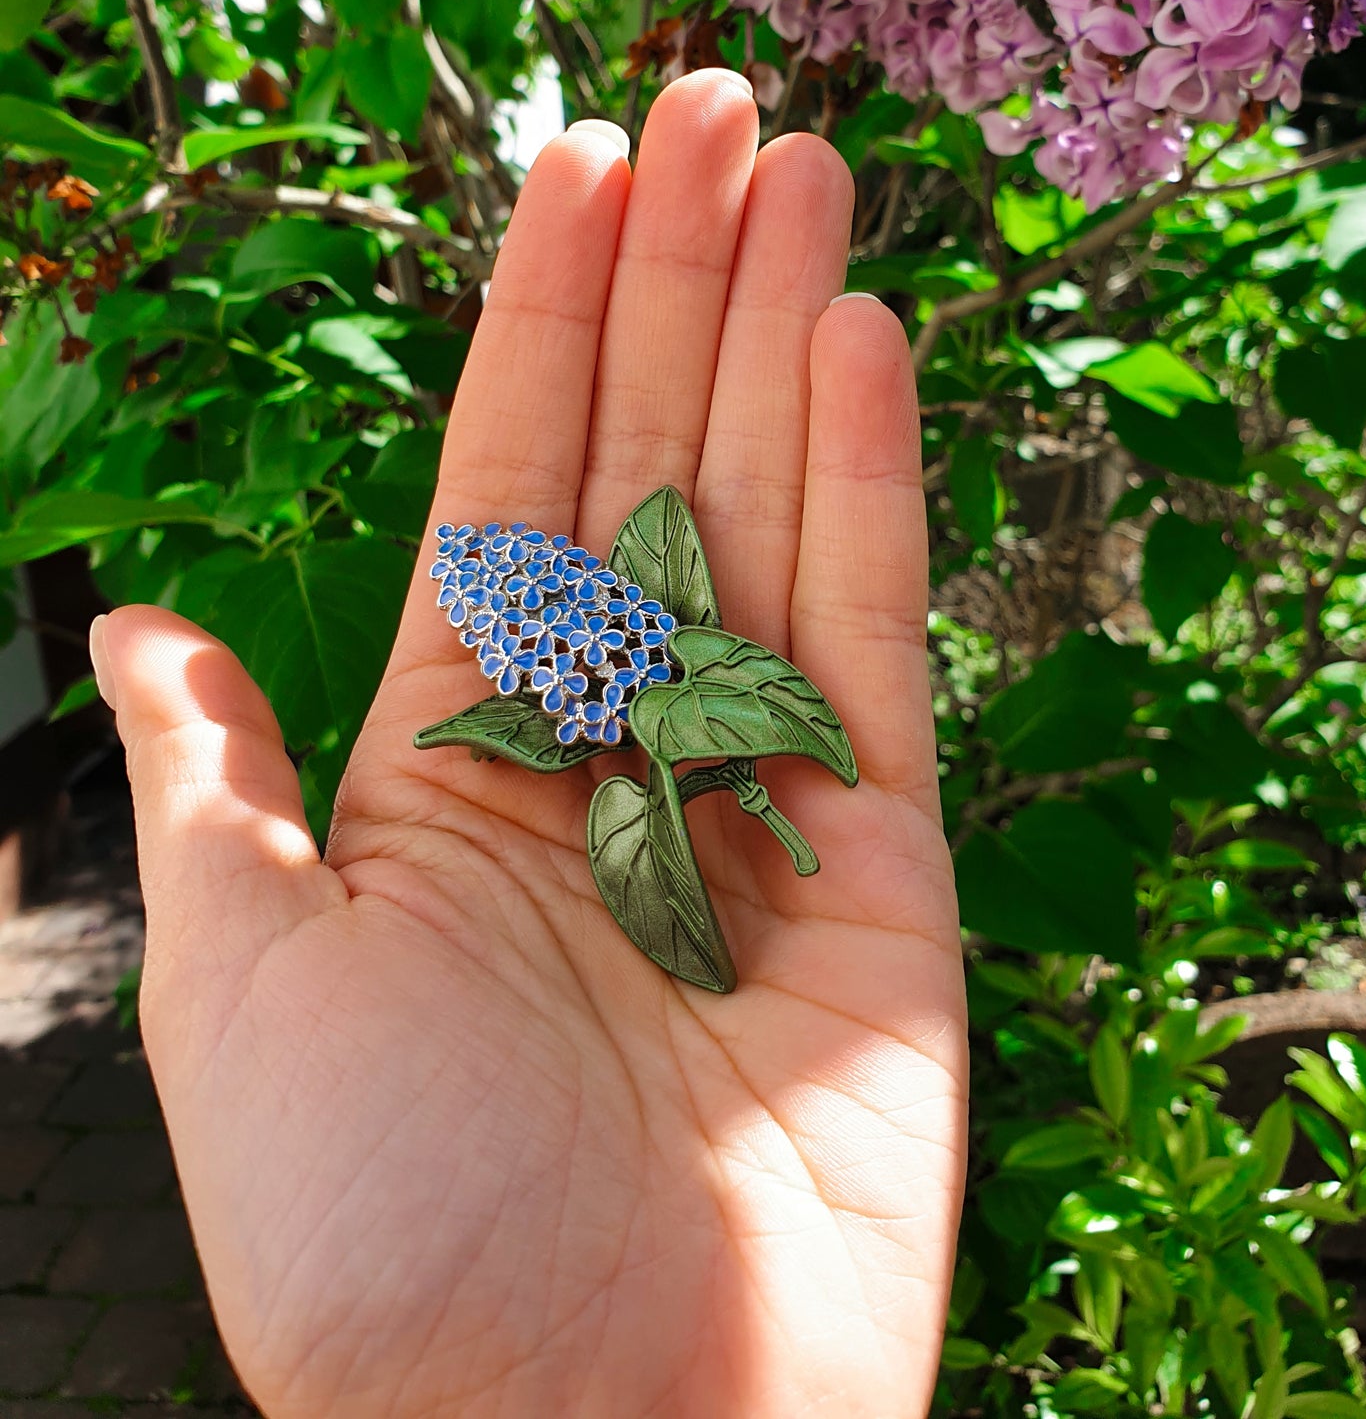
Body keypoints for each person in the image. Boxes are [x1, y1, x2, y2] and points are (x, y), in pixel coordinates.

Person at [89, 69, 970, 1418]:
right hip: (607, 683)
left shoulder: (653, 642)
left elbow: (669, 627)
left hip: (630, 674)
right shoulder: (590, 680)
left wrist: (731, 737)